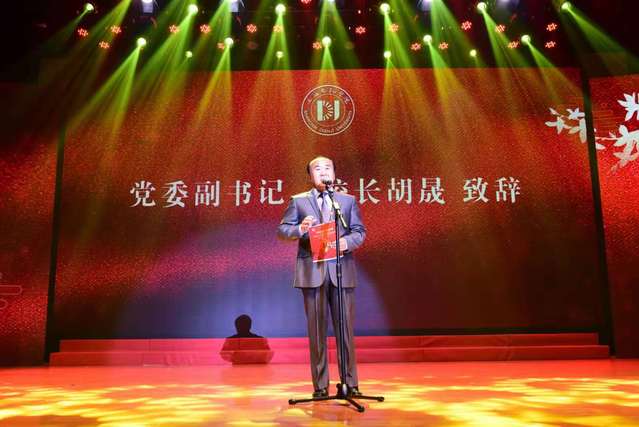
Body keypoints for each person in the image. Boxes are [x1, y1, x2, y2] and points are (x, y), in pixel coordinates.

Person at [277, 156, 366, 398]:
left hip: (341, 271)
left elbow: (359, 231)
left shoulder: (346, 201)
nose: (323, 171)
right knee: (317, 332)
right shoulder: (299, 201)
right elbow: (283, 230)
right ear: (310, 175)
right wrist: (300, 229)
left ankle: (350, 383)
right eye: (317, 168)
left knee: (345, 330)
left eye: (328, 168)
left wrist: (345, 243)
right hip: (312, 272)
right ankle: (320, 386)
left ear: (334, 174)